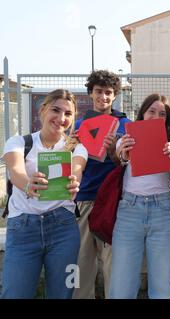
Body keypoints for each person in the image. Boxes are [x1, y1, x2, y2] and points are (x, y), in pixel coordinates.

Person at [1, 89, 87, 299]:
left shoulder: (76, 147)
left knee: (62, 294)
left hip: (63, 230)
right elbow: (16, 171)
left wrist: (74, 182)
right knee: (14, 293)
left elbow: (77, 169)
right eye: (56, 110)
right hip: (23, 229)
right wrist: (28, 184)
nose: (61, 118)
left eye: (68, 114)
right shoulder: (19, 142)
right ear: (43, 110)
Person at [109, 94, 170, 299]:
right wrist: (123, 154)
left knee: (162, 284)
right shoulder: (127, 139)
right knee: (122, 284)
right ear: (142, 113)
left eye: (162, 113)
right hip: (130, 209)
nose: (157, 116)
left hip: (163, 211)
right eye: (152, 111)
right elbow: (119, 158)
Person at [73, 70, 131, 299]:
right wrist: (75, 146)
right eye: (99, 92)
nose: (103, 97)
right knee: (82, 261)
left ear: (115, 95)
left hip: (113, 200)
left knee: (113, 264)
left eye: (108, 93)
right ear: (91, 93)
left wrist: (112, 151)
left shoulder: (125, 123)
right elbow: (71, 161)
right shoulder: (78, 125)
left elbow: (128, 163)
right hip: (85, 197)